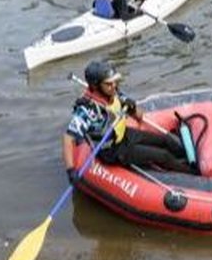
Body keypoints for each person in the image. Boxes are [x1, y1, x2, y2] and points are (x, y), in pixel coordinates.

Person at [62, 60, 191, 186]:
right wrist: (70, 170)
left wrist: (132, 108)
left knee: (165, 140)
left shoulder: (114, 93)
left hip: (125, 135)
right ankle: (193, 174)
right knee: (163, 156)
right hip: (114, 150)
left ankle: (189, 156)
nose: (114, 86)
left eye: (115, 82)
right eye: (109, 84)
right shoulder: (88, 110)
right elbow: (68, 137)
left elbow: (139, 115)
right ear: (96, 86)